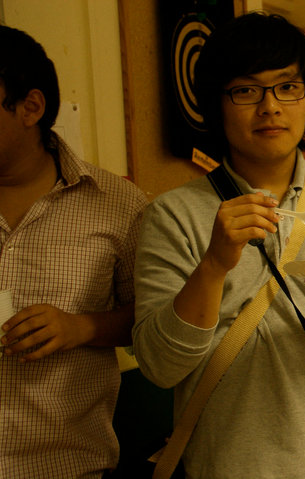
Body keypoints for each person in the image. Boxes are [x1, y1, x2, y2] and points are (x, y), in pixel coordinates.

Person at [131, 13, 305, 479]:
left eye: (288, 87)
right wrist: (215, 265)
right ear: (215, 105)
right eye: (245, 90)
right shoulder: (171, 214)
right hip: (224, 466)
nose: (270, 107)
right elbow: (160, 367)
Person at [0, 25, 147, 478]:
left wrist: (80, 326)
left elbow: (153, 320)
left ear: (31, 107)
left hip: (62, 463)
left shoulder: (118, 206)